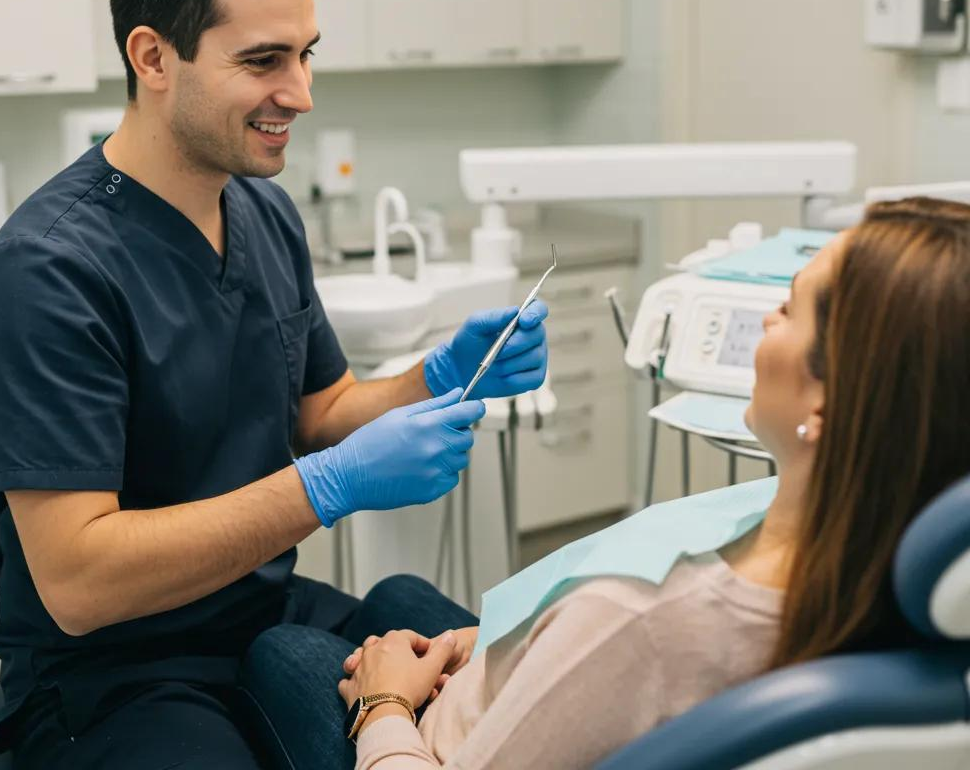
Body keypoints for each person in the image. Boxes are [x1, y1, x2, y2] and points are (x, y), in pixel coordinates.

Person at [0, 0, 550, 769]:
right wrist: (328, 487)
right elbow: (80, 582)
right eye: (265, 59)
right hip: (117, 669)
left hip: (262, 613)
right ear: (154, 57)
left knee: (498, 684)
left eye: (307, 54)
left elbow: (321, 412)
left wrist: (436, 377)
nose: (301, 93)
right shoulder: (49, 272)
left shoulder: (264, 216)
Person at [253, 196, 970, 769]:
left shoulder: (643, 621)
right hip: (557, 679)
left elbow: (628, 640)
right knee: (394, 598)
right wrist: (532, 644)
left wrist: (383, 708)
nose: (764, 319)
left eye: (789, 305)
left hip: (439, 744)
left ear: (829, 399)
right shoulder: (876, 538)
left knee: (280, 652)